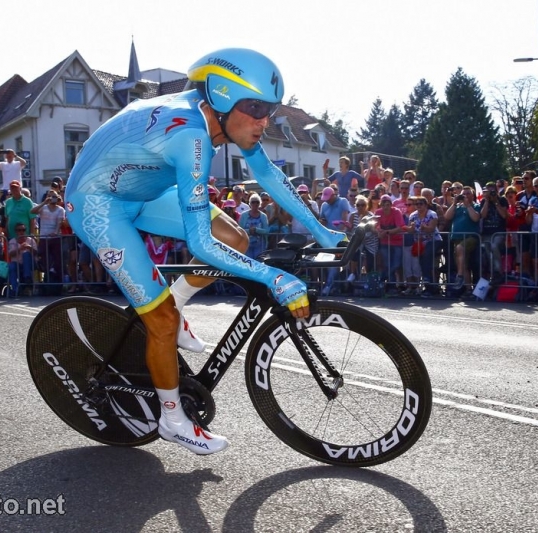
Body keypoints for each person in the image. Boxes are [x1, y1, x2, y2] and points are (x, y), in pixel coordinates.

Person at [64, 48, 345, 455]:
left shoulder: (222, 121)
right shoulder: (192, 137)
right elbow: (199, 245)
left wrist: (322, 230)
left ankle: (175, 305)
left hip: (145, 190)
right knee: (159, 321)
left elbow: (267, 173)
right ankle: (173, 420)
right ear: (222, 97)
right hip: (97, 203)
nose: (265, 121)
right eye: (256, 107)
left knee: (236, 239)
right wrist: (274, 277)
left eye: (270, 110)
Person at [238, 193, 270, 259]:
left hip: (260, 245)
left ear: (260, 203)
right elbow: (240, 230)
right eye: (253, 202)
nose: (255, 204)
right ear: (250, 203)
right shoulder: (243, 215)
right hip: (246, 244)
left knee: (259, 262)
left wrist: (256, 230)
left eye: (257, 202)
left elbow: (266, 231)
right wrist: (249, 231)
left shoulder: (263, 216)